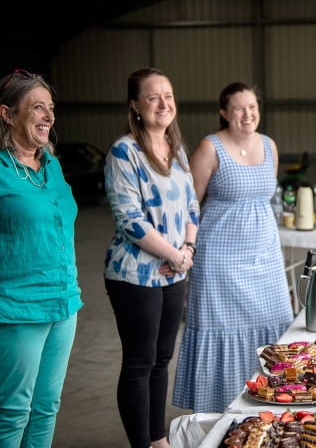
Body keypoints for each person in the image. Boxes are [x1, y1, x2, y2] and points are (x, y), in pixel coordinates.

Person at [172, 82, 294, 413]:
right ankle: (218, 409)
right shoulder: (210, 148)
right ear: (224, 113)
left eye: (252, 107)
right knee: (220, 330)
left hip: (265, 256)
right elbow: (189, 205)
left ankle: (274, 403)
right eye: (239, 108)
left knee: (278, 322)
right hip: (218, 259)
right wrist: (184, 248)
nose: (247, 114)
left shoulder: (269, 145)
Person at [103, 68, 199, 448]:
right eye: (153, 97)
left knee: (162, 360)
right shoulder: (124, 152)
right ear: (136, 107)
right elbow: (130, 219)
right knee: (140, 363)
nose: (164, 103)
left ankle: (158, 439)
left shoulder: (176, 150)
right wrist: (175, 255)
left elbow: (192, 204)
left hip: (174, 271)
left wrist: (185, 252)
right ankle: (141, 443)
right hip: (133, 275)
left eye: (169, 96)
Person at [0, 69, 83, 446]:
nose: (48, 116)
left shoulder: (52, 166)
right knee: (14, 410)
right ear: (7, 114)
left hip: (64, 303)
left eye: (50, 108)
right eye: (37, 107)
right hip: (19, 308)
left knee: (47, 405)